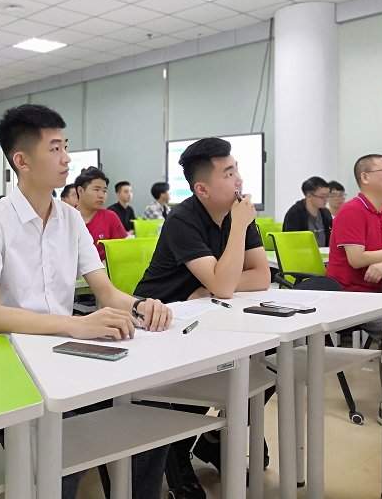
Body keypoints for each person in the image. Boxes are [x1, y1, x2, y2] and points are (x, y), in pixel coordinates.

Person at [0, 104, 172, 499]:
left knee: (150, 420)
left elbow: (106, 292)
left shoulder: (71, 218)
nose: (66, 158)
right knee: (61, 450)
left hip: (63, 353)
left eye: (65, 146)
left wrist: (141, 306)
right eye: (55, 148)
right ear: (22, 161)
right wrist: (78, 325)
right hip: (11, 361)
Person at [134, 138, 271, 497]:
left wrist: (212, 287)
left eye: (236, 170)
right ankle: (177, 453)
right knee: (188, 384)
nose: (239, 180)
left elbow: (261, 276)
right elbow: (225, 285)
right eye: (228, 173)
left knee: (269, 366)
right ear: (202, 189)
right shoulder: (183, 219)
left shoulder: (238, 214)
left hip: (205, 317)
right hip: (161, 323)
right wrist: (220, 279)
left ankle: (211, 439)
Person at [326, 154, 382, 439]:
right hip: (347, 295)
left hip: (377, 294)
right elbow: (356, 259)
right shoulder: (351, 211)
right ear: (365, 177)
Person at [74, 167, 127, 261]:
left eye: (104, 191)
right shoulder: (66, 218)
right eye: (96, 190)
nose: (101, 195)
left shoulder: (110, 217)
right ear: (80, 191)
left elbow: (123, 249)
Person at [282, 176, 333, 247]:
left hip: (324, 253)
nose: (326, 200)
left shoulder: (325, 213)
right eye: (323, 196)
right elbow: (291, 243)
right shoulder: (294, 214)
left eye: (328, 196)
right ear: (309, 196)